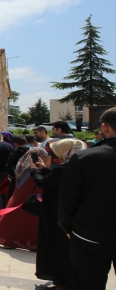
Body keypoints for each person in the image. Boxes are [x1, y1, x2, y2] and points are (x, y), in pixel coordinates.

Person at [59, 107, 116, 290]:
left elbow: (68, 199)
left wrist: (67, 226)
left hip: (90, 235)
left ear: (105, 128)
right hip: (89, 235)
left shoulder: (85, 158)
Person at [30, 139, 85, 290]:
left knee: (59, 249)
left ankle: (65, 282)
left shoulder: (65, 168)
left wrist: (33, 171)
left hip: (56, 214)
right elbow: (55, 181)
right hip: (68, 213)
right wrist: (45, 170)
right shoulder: (77, 165)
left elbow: (44, 183)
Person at [5, 135, 29, 200]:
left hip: (17, 178)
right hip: (29, 177)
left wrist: (13, 174)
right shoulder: (31, 152)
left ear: (16, 143)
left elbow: (8, 168)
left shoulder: (13, 154)